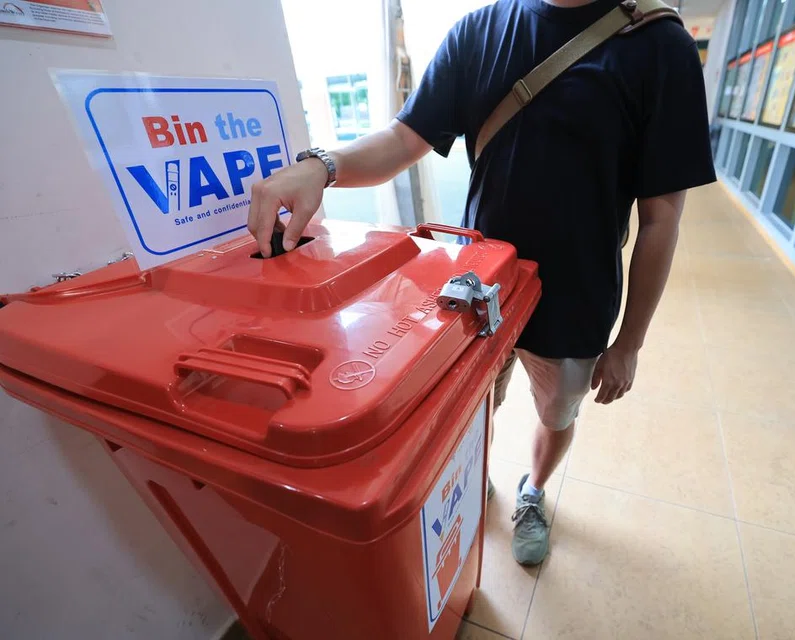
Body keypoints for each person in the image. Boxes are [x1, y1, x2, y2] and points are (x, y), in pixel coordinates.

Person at [247, 0, 716, 567]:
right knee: (469, 407)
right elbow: (403, 140)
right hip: (478, 288)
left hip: (577, 300)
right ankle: (474, 473)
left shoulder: (657, 45)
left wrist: (631, 343)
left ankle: (535, 491)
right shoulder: (480, 30)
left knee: (556, 414)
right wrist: (321, 167)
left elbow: (662, 216)